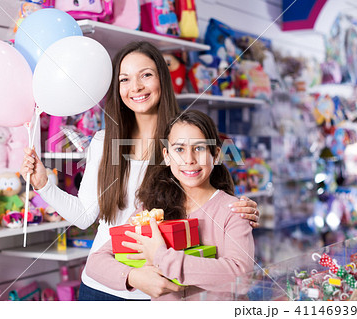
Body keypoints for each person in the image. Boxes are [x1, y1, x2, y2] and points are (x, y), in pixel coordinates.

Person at [20, 41, 259, 301]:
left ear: (162, 79)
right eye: (125, 79)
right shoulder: (103, 141)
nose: (136, 87)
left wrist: (241, 210)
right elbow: (85, 216)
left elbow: (210, 203)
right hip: (103, 284)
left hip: (161, 291)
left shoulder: (184, 139)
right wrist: (44, 186)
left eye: (146, 75)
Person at [85, 110, 255, 300]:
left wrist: (161, 257)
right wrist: (134, 277)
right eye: (179, 149)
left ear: (215, 155)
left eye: (199, 148)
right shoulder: (152, 211)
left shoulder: (234, 210)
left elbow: (241, 275)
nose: (189, 159)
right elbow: (96, 261)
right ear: (167, 155)